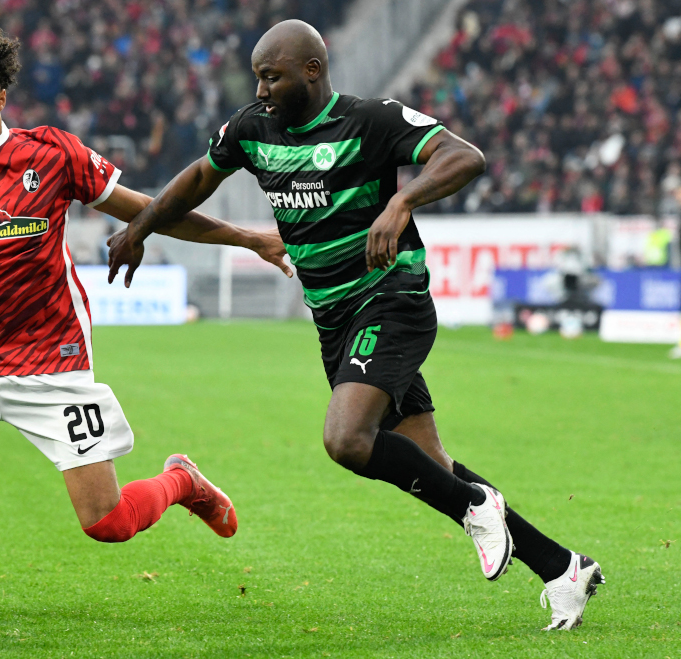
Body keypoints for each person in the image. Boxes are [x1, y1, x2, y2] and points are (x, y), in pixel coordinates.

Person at [107, 20, 604, 631]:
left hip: (391, 301)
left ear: (311, 70)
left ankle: (478, 507)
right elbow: (197, 179)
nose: (262, 89)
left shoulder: (372, 121)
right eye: (258, 76)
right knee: (431, 465)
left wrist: (401, 201)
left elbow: (465, 156)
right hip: (334, 317)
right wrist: (142, 225)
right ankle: (563, 568)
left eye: (273, 76)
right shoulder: (251, 130)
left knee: (346, 440)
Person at [0, 24, 292, 607]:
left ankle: (182, 481)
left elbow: (152, 210)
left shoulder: (52, 154)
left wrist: (247, 239)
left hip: (54, 364)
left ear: (0, 99)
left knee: (106, 522)